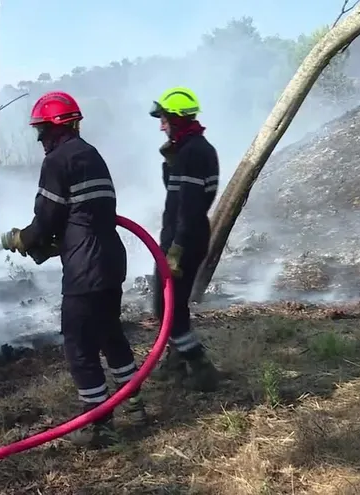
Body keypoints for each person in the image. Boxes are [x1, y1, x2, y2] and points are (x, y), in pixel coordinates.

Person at [0, 90, 146, 448]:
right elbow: (85, 216)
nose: (39, 139)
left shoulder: (57, 161)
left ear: (53, 128)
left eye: (41, 131)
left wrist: (25, 238)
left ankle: (99, 425)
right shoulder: (91, 155)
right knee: (111, 334)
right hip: (110, 261)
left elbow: (47, 218)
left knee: (79, 345)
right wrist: (53, 245)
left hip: (85, 270)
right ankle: (136, 406)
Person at [148, 86, 221, 392]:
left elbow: (189, 207)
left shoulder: (194, 152)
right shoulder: (191, 149)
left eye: (164, 118)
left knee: (165, 307)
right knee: (173, 303)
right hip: (185, 236)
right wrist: (169, 162)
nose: (161, 125)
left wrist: (176, 248)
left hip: (184, 239)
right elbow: (175, 190)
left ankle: (200, 365)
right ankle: (175, 362)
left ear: (177, 118)